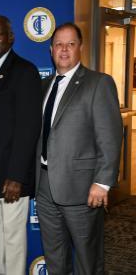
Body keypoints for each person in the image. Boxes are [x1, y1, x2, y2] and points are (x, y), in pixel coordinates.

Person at [36, 22, 123, 275]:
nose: (64, 50)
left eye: (70, 44)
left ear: (80, 48)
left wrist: (103, 183)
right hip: (44, 186)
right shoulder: (44, 86)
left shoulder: (98, 83)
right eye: (59, 44)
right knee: (54, 257)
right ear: (51, 50)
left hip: (83, 190)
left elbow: (110, 136)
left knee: (88, 259)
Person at [0, 15, 42, 275]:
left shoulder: (25, 71)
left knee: (14, 242)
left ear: (11, 38)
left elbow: (28, 128)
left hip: (10, 177)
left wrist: (16, 175)